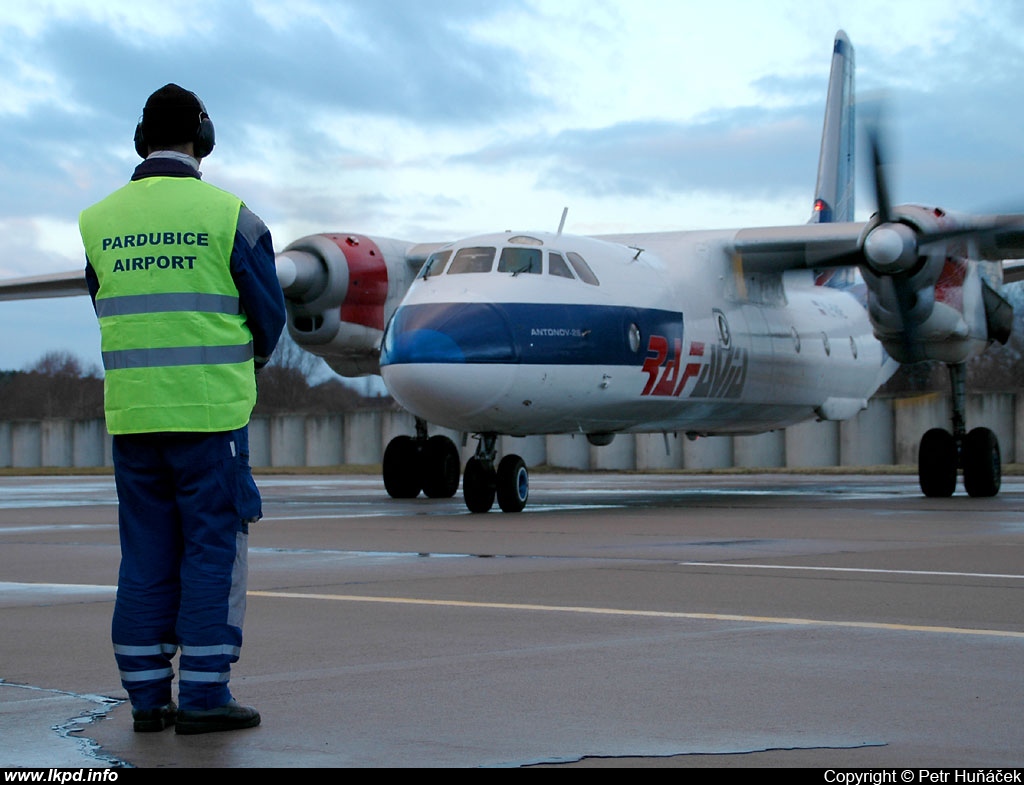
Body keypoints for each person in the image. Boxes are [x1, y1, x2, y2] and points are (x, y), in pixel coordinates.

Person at [78, 84, 286, 735]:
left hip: (134, 419)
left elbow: (102, 301)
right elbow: (270, 317)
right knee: (211, 550)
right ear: (205, 136)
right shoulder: (232, 217)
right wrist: (236, 363)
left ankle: (145, 699)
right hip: (210, 420)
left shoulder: (98, 220)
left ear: (141, 139)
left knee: (143, 554)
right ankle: (203, 695)